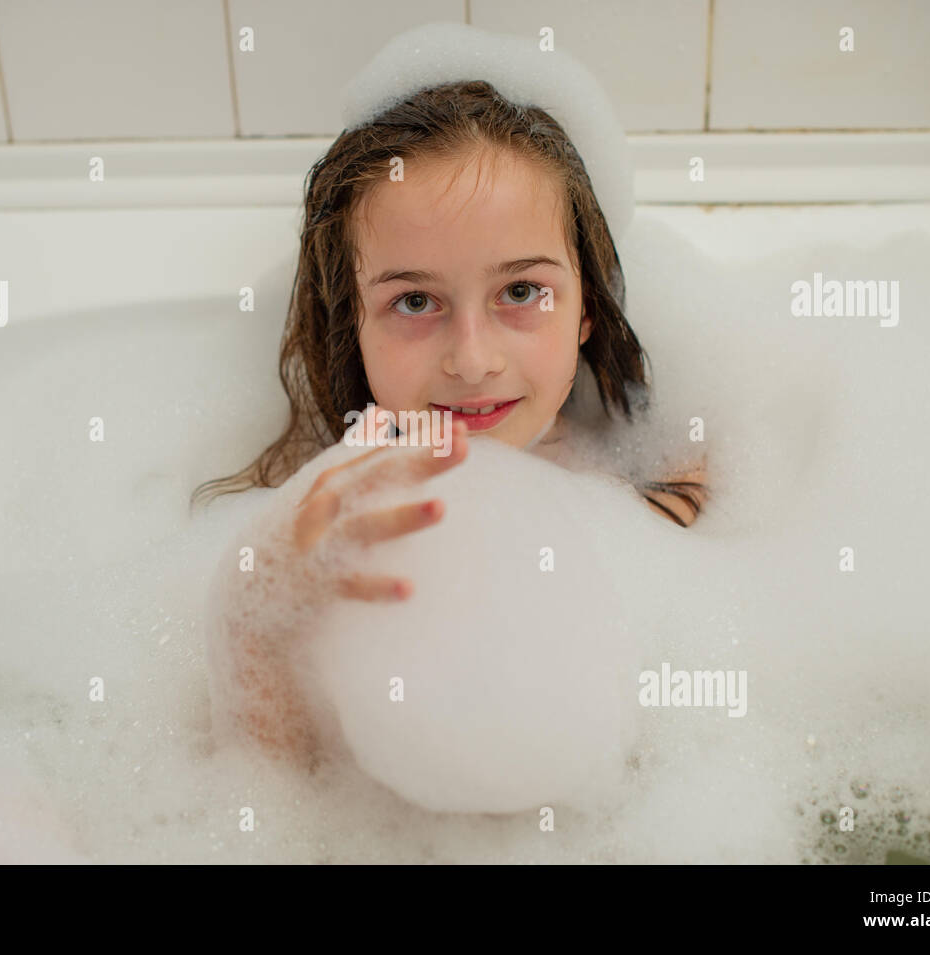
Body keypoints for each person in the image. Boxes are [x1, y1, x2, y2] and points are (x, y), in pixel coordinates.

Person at [192, 80, 708, 765]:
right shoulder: (322, 523)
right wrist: (255, 620)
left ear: (587, 304)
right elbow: (270, 791)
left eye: (521, 291)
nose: (471, 359)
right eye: (414, 301)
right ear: (356, 324)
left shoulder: (661, 481)